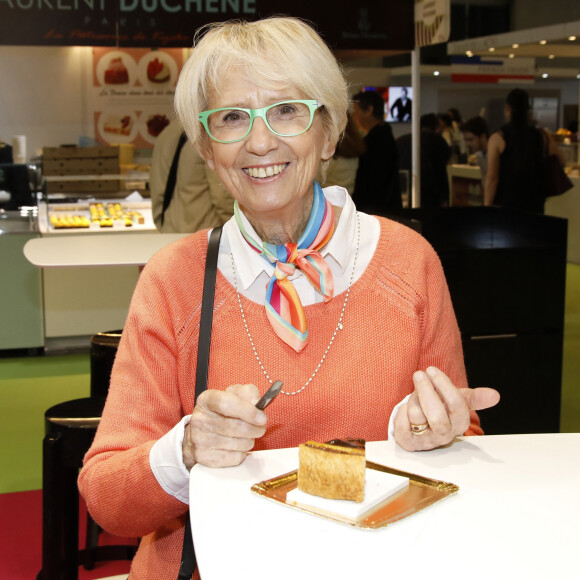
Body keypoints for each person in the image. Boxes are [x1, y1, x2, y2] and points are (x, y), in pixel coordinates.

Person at [79, 17, 500, 578]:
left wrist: (430, 435)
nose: (259, 141)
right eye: (231, 117)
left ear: (327, 133)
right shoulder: (173, 280)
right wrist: (185, 448)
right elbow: (108, 499)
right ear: (207, 148)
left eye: (286, 110)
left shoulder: (408, 260)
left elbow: (462, 434)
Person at [484, 88, 564, 213]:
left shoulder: (498, 138)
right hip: (535, 204)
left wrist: (487, 207)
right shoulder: (542, 135)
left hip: (506, 204)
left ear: (507, 108)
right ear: (528, 109)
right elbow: (561, 161)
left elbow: (492, 178)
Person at [149, 119, 234, 233]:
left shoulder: (166, 134)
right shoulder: (206, 134)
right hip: (204, 235)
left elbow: (157, 188)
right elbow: (222, 195)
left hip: (169, 230)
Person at [351, 89, 402, 213]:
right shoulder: (382, 136)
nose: (353, 116)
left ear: (369, 110)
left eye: (356, 110)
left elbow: (374, 183)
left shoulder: (377, 141)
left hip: (377, 211)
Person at [397, 113, 452, 208]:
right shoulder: (438, 141)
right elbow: (442, 172)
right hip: (431, 197)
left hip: (403, 193)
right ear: (437, 128)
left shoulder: (401, 140)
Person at [318, 111, 366, 195]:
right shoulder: (353, 152)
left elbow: (313, 182)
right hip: (346, 200)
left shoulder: (329, 159)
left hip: (328, 202)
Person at [461, 115, 489, 185]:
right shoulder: (479, 155)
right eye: (466, 140)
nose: (468, 145)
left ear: (483, 137)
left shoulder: (494, 155)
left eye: (470, 140)